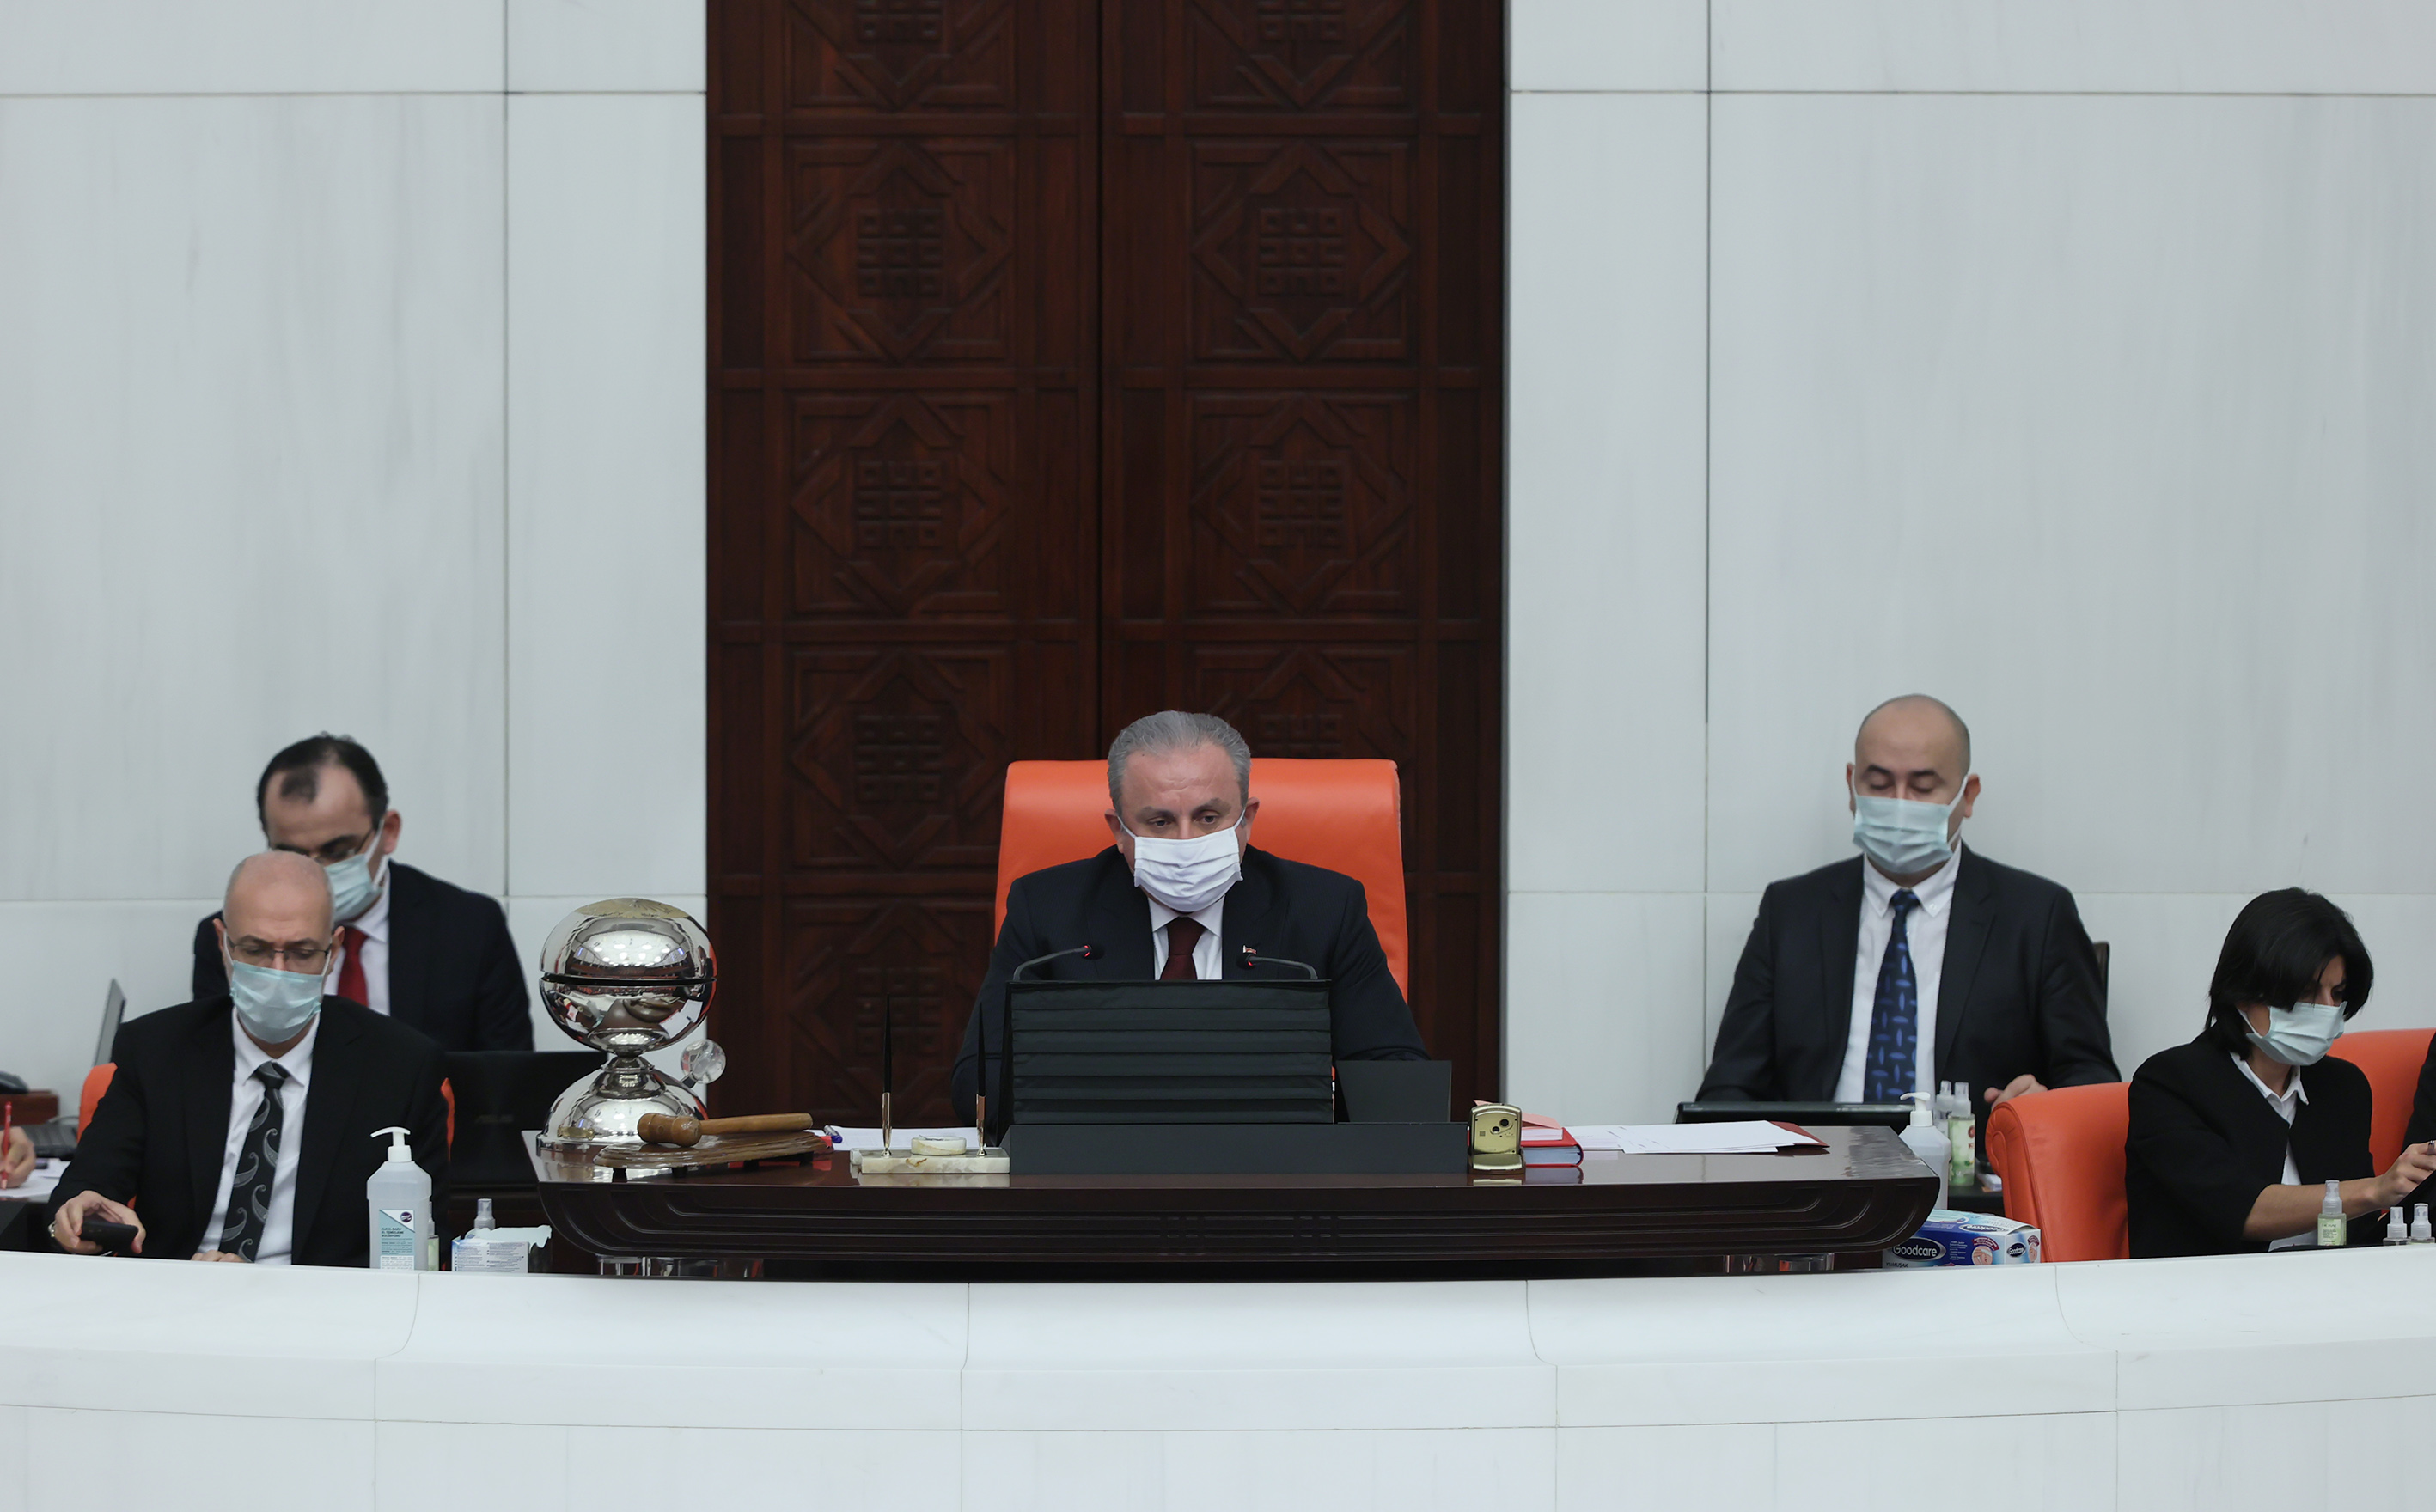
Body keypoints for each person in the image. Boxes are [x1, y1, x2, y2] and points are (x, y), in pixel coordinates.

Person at [949, 710, 1426, 1120]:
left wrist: (1299, 1099)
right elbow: (979, 1084)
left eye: (1208, 818)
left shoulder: (1324, 908)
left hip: (1274, 1176)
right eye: (1159, 822)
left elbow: (1396, 1081)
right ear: (1119, 830)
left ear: (1247, 819)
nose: (1186, 842)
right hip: (1102, 1177)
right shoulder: (1048, 909)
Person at [1700, 695, 2116, 1114]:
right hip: (1818, 1154)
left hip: (1971, 1155)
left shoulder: (2037, 917)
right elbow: (1728, 1091)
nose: (1899, 804)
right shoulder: (1790, 913)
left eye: (1923, 787)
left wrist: (2045, 1107)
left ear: (1968, 795)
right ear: (1852, 786)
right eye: (1879, 785)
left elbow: (2092, 1082)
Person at [49, 852, 449, 1264]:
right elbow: (85, 1190)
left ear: (333, 950)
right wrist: (77, 1214)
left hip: (322, 1298)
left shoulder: (401, 1066)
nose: (278, 971)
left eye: (302, 952)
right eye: (255, 949)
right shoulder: (155, 1050)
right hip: (177, 1288)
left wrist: (276, 1286)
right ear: (223, 944)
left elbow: (425, 1242)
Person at [2125, 889, 2436, 1257]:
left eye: (2337, 994)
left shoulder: (2343, 1087)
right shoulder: (2169, 1084)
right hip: (2205, 1287)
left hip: (2332, 1287)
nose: (2327, 1009)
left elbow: (2355, 1235)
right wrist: (2377, 1190)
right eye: (2307, 992)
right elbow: (2241, 1210)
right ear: (2243, 992)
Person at [191, 734, 530, 1052]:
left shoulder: (468, 927)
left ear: (388, 831)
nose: (317, 873)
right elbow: (221, 1069)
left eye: (338, 851)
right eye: (293, 854)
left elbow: (504, 1077)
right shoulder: (237, 939)